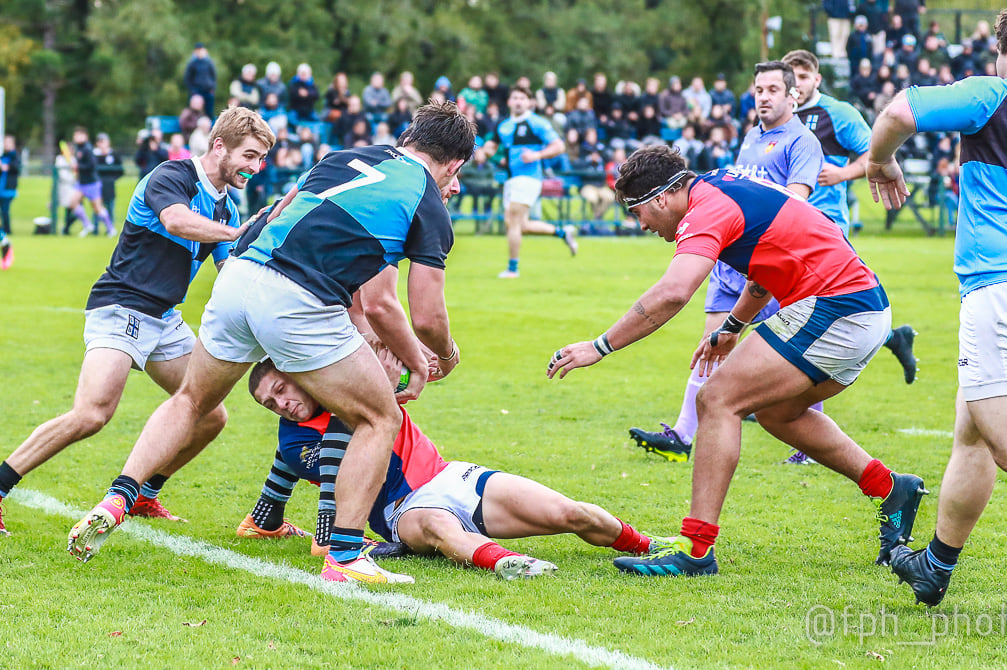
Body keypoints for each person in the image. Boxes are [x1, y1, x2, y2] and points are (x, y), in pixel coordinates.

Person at [66, 101, 476, 588]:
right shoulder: (426, 201)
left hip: (239, 277)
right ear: (455, 164)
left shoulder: (343, 155)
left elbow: (282, 214)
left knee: (192, 400)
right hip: (297, 300)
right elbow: (423, 315)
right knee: (378, 416)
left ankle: (119, 496)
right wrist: (438, 359)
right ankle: (343, 555)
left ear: (411, 137)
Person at [548, 145, 928, 576]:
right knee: (778, 414)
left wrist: (599, 346)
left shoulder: (705, 209)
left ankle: (695, 548)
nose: (640, 224)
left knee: (717, 400)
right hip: (862, 308)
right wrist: (732, 326)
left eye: (638, 211)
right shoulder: (722, 184)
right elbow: (765, 267)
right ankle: (890, 488)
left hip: (837, 307)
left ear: (661, 197)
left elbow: (674, 292)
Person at [866, 1, 1007, 606]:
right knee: (973, 434)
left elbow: (898, 110)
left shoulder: (996, 91)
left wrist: (881, 159)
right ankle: (935, 565)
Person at [0, 108, 275, 537]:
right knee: (92, 414)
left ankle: (145, 493)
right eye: (250, 156)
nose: (255, 168)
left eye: (261, 160)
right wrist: (236, 233)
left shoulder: (226, 208)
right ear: (219, 146)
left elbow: (230, 272)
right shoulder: (172, 176)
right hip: (122, 306)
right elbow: (176, 220)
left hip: (164, 320)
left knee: (209, 415)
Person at [243, 346, 666, 579]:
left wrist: (426, 358)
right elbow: (342, 472)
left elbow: (406, 365)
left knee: (571, 513)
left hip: (453, 476)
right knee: (439, 528)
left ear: (299, 374)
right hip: (401, 511)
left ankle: (653, 548)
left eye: (282, 389)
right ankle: (508, 563)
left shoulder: (355, 382)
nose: (283, 405)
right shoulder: (296, 440)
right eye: (270, 404)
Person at [627, 61, 823, 463]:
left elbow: (795, 201)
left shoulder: (803, 142)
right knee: (712, 342)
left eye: (772, 89)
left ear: (793, 95)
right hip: (728, 258)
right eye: (758, 89)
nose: (763, 97)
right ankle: (683, 434)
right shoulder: (751, 136)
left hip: (770, 261)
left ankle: (807, 442)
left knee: (797, 348)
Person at [784, 49, 918, 377]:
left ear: (817, 79)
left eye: (803, 76)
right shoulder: (777, 115)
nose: (796, 83)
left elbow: (874, 153)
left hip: (824, 220)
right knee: (794, 304)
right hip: (784, 222)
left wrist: (842, 174)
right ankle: (891, 338)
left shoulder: (838, 112)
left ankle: (787, 393)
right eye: (791, 76)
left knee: (814, 305)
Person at [482, 86, 577, 279]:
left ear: (529, 103)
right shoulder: (504, 125)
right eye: (515, 97)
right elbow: (490, 147)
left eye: (522, 98)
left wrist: (537, 155)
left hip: (529, 178)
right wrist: (495, 158)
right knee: (520, 225)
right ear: (509, 102)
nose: (518, 101)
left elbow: (559, 146)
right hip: (511, 179)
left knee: (513, 223)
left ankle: (512, 269)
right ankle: (562, 233)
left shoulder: (537, 123)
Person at [65, 127, 115, 237]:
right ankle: (87, 225)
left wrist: (77, 166)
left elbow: (91, 165)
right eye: (75, 135)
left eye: (79, 135)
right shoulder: (78, 148)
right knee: (72, 202)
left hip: (92, 183)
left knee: (98, 208)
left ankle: (110, 228)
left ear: (85, 136)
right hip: (81, 183)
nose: (76, 137)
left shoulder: (88, 149)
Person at [94, 133, 124, 228]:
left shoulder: (113, 155)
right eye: (100, 142)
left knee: (110, 205)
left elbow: (120, 170)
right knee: (97, 206)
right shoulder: (94, 155)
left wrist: (112, 179)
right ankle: (96, 228)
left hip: (109, 184)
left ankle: (110, 227)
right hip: (97, 184)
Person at [183, 43, 217, 118]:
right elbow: (187, 78)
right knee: (195, 112)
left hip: (208, 91)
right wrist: (193, 91)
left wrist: (212, 88)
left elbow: (213, 76)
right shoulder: (192, 63)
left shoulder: (209, 62)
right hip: (196, 91)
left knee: (209, 112)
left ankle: (210, 127)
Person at [0, 134, 16, 270]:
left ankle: (5, 241)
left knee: (5, 211)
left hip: (8, 190)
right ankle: (5, 241)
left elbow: (15, 169)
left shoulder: (14, 156)